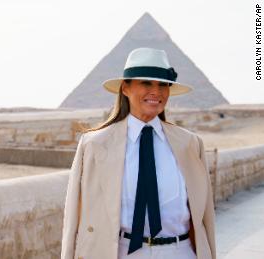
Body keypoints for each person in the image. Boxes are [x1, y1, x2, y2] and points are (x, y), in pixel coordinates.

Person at [61, 48, 215, 259]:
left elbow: (205, 217)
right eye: (146, 83)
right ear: (125, 88)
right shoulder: (95, 145)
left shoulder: (190, 144)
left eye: (163, 84)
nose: (156, 91)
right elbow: (73, 219)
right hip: (123, 252)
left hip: (180, 252)